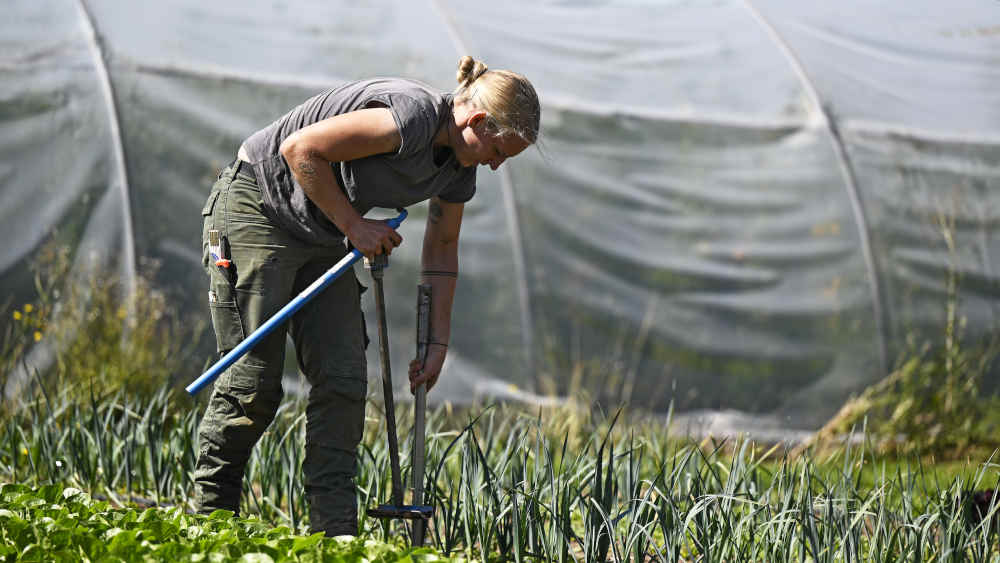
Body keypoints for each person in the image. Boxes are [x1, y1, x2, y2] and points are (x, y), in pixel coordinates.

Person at [194, 56, 540, 537]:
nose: (496, 164)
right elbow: (301, 150)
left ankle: (333, 538)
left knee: (343, 381)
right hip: (260, 207)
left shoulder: (458, 172)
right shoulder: (412, 116)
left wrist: (437, 345)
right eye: (498, 150)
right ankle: (208, 527)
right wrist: (355, 225)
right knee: (253, 384)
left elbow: (441, 250)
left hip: (322, 234)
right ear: (477, 121)